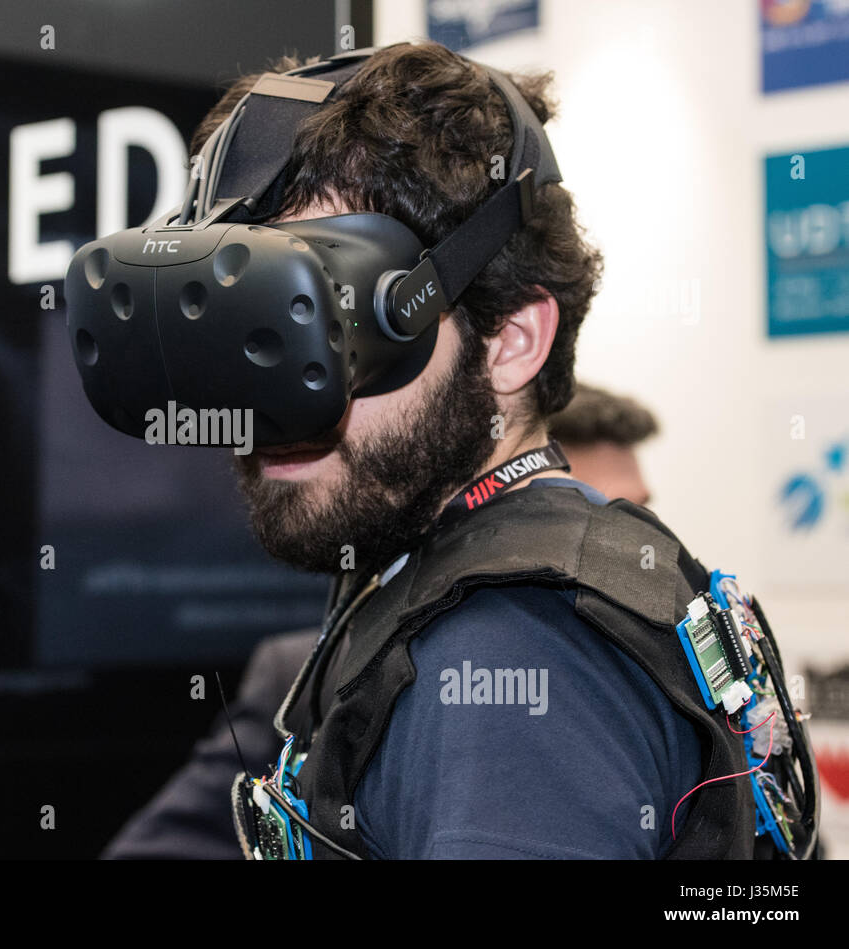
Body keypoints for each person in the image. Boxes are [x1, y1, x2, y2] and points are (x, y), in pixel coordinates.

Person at [95, 40, 761, 861]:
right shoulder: (458, 581)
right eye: (256, 334)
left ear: (512, 339)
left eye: (331, 322)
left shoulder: (512, 654)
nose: (276, 408)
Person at [102, 382, 664, 859]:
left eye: (631, 512)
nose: (609, 543)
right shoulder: (302, 675)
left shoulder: (664, 666)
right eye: (576, 514)